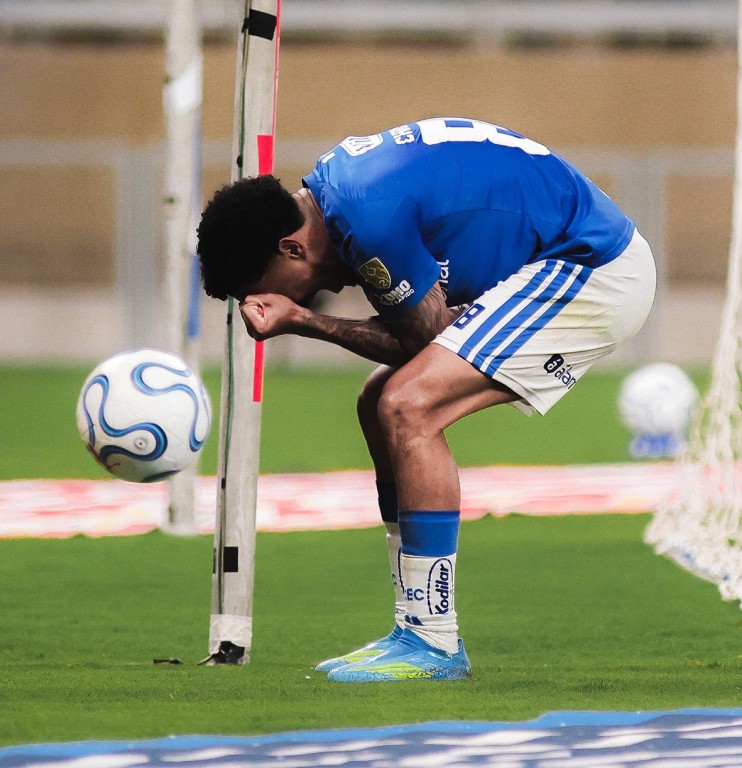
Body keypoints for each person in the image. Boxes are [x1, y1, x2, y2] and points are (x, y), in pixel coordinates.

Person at [197, 117, 656, 683]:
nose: (261, 302)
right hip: (566, 254)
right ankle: (411, 626)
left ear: (291, 248)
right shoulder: (343, 194)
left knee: (407, 405)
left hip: (593, 266)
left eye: (259, 289)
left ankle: (432, 639)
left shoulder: (366, 219)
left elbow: (421, 340)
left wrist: (304, 320)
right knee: (377, 400)